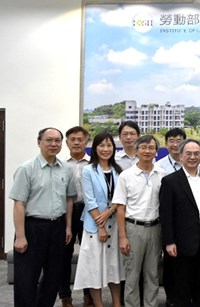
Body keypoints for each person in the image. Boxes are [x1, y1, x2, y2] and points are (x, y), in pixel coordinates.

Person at [10, 127, 76, 306]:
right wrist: (21, 236)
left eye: (57, 141)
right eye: (49, 140)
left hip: (58, 228)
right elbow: (19, 204)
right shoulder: (26, 169)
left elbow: (69, 200)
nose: (53, 144)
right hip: (32, 228)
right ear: (39, 142)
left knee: (53, 277)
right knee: (26, 278)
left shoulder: (67, 170)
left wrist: (68, 227)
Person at [159, 139, 200, 307]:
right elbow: (166, 214)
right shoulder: (170, 181)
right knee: (182, 285)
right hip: (180, 240)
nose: (192, 157)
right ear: (181, 156)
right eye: (188, 154)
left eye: (196, 154)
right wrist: (169, 241)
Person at [113, 135, 166, 307]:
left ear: (156, 152)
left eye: (151, 148)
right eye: (143, 147)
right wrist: (122, 236)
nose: (147, 151)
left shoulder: (162, 175)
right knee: (132, 275)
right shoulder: (126, 176)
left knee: (152, 274)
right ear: (136, 151)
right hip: (133, 229)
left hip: (156, 228)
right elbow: (120, 207)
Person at [73, 132, 124, 307]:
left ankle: (117, 303)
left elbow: (121, 198)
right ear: (95, 148)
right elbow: (89, 200)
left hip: (115, 224)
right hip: (94, 225)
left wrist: (109, 212)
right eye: (101, 145)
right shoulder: (88, 170)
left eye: (109, 145)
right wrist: (100, 226)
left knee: (114, 266)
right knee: (94, 266)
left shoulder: (118, 170)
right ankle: (98, 304)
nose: (105, 149)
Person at [59, 126, 93, 307]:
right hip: (65, 213)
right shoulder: (61, 164)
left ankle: (89, 296)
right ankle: (65, 296)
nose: (77, 142)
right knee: (64, 255)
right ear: (67, 142)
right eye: (73, 139)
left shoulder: (93, 163)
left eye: (80, 139)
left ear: (86, 142)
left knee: (88, 255)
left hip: (89, 213)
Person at [155, 127, 186, 306]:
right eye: (171, 141)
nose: (175, 144)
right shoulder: (159, 167)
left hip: (188, 222)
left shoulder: (192, 161)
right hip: (167, 220)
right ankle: (171, 297)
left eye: (179, 140)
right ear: (166, 144)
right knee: (169, 261)